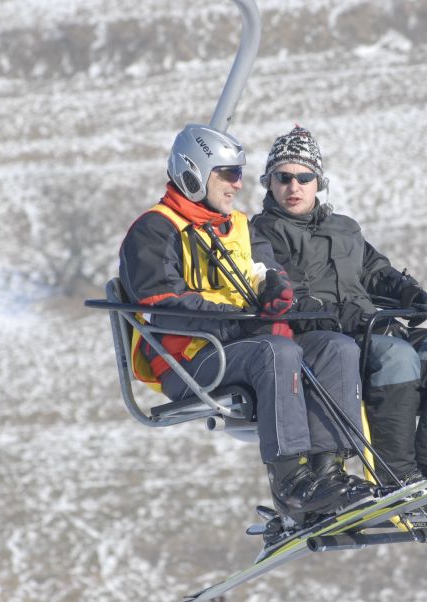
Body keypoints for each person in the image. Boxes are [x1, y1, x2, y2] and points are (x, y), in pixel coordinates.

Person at [118, 123, 369, 523]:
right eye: (228, 174)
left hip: (238, 346)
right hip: (190, 357)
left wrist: (274, 289)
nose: (237, 185)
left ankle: (328, 474)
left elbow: (264, 268)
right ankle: (292, 484)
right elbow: (160, 303)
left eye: (239, 173)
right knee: (277, 350)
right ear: (194, 172)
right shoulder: (155, 229)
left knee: (335, 347)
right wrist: (237, 316)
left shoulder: (238, 226)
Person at [250, 125, 427, 514]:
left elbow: (376, 270)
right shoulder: (260, 234)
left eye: (303, 177)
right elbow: (282, 292)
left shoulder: (344, 229)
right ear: (269, 183)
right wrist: (337, 313)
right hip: (331, 342)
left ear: (319, 182)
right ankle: (397, 477)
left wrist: (416, 297)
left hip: (376, 329)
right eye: (283, 177)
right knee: (398, 358)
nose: (293, 186)